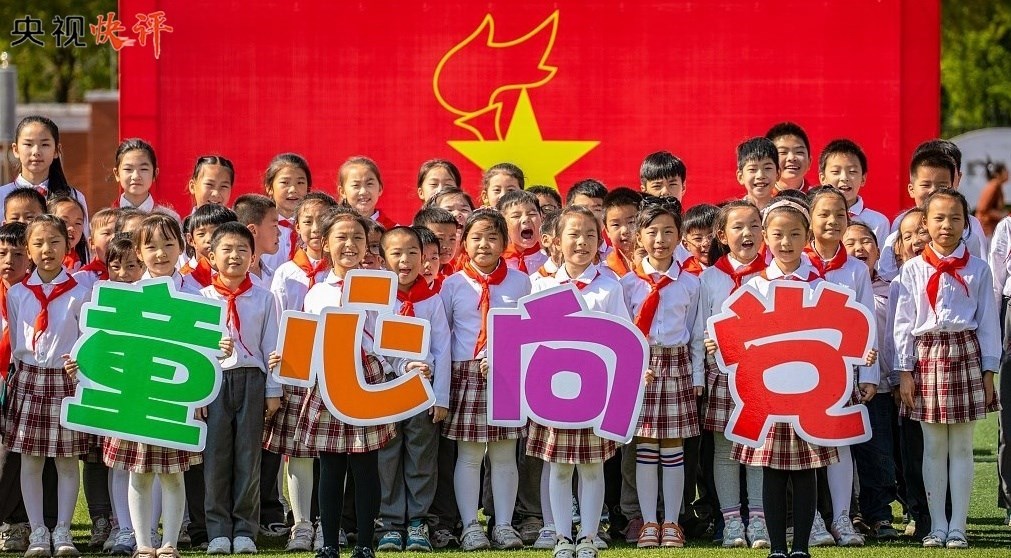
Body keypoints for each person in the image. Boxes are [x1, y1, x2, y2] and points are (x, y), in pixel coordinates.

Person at [92, 215, 207, 558]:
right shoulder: (128, 295)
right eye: (151, 246)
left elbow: (207, 347)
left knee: (173, 474)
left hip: (176, 395)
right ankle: (142, 542)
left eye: (169, 244)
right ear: (139, 252)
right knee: (138, 473)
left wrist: (219, 353)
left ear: (181, 247)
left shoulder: (196, 294)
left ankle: (169, 541)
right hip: (135, 392)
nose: (161, 253)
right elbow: (109, 342)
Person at [731, 200, 840, 558]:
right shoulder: (755, 285)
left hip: (810, 389)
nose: (786, 242)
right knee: (773, 471)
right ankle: (777, 547)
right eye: (777, 234)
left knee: (807, 471)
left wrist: (858, 355)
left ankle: (802, 547)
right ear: (765, 236)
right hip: (769, 390)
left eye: (795, 234)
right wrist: (720, 343)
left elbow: (835, 333)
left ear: (807, 237)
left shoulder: (818, 284)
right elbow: (739, 333)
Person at [894, 188, 1000, 549]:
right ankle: (937, 525)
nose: (947, 225)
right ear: (925, 223)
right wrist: (904, 370)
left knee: (963, 446)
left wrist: (989, 371)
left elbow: (989, 323)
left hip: (966, 353)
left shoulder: (978, 268)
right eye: (938, 218)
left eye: (955, 218)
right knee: (933, 446)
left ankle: (958, 526)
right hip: (926, 356)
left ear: (966, 224)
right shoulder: (912, 269)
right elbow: (903, 323)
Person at [295, 211, 399, 558]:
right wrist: (289, 360)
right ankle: (328, 543)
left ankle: (365, 544)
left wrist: (403, 365)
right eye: (340, 237)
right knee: (330, 465)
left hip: (367, 376)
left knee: (366, 465)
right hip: (329, 377)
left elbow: (390, 334)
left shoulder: (381, 286)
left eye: (357, 237)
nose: (350, 244)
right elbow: (306, 339)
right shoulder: (317, 292)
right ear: (325, 244)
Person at [529, 206, 630, 558]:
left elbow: (623, 336)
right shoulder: (541, 284)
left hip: (595, 390)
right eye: (573, 234)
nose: (582, 242)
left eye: (590, 235)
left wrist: (633, 371)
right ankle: (561, 536)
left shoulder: (609, 286)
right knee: (558, 467)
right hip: (552, 390)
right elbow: (528, 337)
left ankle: (588, 536)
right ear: (556, 241)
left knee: (591, 466)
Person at [439, 209, 531, 550]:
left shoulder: (520, 282)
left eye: (492, 237)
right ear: (464, 243)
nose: (484, 245)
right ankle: (470, 526)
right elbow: (444, 335)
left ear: (504, 242)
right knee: (469, 454)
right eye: (476, 238)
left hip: (506, 372)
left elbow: (527, 329)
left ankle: (503, 525)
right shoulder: (453, 284)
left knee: (505, 454)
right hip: (466, 374)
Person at [620, 198, 704, 548]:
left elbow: (696, 333)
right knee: (645, 446)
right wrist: (630, 371)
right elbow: (622, 333)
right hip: (641, 367)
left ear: (679, 236)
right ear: (640, 236)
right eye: (652, 232)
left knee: (673, 446)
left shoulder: (690, 283)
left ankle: (671, 521)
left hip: (677, 364)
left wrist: (697, 376)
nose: (660, 239)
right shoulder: (627, 283)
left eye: (669, 232)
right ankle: (649, 522)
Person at [6, 215, 90, 558]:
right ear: (28, 250)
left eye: (54, 242)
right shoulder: (17, 293)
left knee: (67, 460)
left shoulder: (80, 292)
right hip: (28, 378)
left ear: (67, 245)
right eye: (38, 243)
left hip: (64, 379)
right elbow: (17, 340)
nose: (47, 250)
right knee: (31, 459)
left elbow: (85, 340)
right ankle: (38, 531)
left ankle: (63, 530)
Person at [802, 187, 879, 546]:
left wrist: (869, 374)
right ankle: (813, 519)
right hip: (802, 368)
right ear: (809, 219)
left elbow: (867, 322)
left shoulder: (856, 270)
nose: (832, 221)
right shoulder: (797, 263)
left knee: (841, 443)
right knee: (805, 444)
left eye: (840, 215)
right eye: (824, 214)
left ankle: (842, 518)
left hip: (842, 369)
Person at [200, 222, 282, 554]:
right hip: (214, 382)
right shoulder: (202, 299)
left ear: (253, 257)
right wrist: (197, 394)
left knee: (249, 457)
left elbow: (271, 345)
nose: (234, 256)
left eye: (242, 250)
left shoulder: (264, 297)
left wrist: (273, 391)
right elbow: (194, 350)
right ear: (211, 256)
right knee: (215, 457)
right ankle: (218, 529)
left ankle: (245, 529)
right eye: (227, 249)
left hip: (252, 380)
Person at [266, 192, 338, 552]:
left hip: (335, 371)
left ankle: (328, 523)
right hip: (297, 371)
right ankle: (302, 523)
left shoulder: (338, 274)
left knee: (333, 452)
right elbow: (276, 325)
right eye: (307, 221)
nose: (314, 228)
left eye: (322, 221)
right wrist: (275, 383)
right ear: (295, 227)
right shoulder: (286, 273)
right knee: (299, 453)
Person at [696, 201, 769, 549]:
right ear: (722, 236)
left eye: (754, 225)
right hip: (723, 373)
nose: (747, 233)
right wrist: (701, 367)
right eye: (738, 227)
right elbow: (699, 329)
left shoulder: (771, 275)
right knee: (725, 450)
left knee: (757, 446)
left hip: (763, 373)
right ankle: (731, 522)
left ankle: (759, 521)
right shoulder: (709, 278)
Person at [375, 226, 451, 552]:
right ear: (382, 259)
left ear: (423, 259)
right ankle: (391, 522)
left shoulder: (432, 300)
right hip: (388, 387)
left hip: (423, 389)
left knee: (421, 454)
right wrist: (401, 366)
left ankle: (418, 520)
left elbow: (443, 349)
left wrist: (441, 397)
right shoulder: (379, 299)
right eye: (396, 253)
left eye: (412, 253)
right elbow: (374, 342)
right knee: (388, 454)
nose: (404, 260)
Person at [841, 222, 900, 540]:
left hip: (878, 384)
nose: (858, 248)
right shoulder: (835, 283)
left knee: (877, 454)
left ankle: (879, 515)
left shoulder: (891, 288)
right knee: (841, 454)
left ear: (879, 251)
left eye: (866, 241)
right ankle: (848, 515)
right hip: (839, 379)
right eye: (850, 242)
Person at [0, 116, 90, 228]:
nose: (36, 152)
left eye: (45, 144)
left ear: (56, 150)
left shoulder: (73, 197)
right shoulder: (2, 195)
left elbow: (82, 237)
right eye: (28, 144)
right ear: (16, 149)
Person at [816, 139, 889, 247]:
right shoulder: (814, 218)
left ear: (863, 178)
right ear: (823, 178)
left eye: (852, 172)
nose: (844, 178)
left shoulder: (879, 222)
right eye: (836, 172)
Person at [260, 153, 311, 271]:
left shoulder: (315, 227)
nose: (293, 190)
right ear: (269, 188)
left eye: (300, 183)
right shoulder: (260, 226)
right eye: (285, 183)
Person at [111, 139, 181, 221]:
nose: (136, 176)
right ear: (117, 174)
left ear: (155, 173)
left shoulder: (170, 218)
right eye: (128, 169)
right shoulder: (106, 221)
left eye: (143, 169)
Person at [181, 205, 239, 288]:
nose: (209, 239)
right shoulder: (184, 280)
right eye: (201, 234)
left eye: (216, 232)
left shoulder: (244, 275)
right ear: (191, 240)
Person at [232, 195, 280, 286]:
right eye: (275, 226)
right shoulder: (231, 277)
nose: (279, 233)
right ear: (252, 230)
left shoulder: (274, 277)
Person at [338, 156, 396, 230]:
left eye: (369, 184)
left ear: (380, 189)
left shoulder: (394, 230)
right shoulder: (334, 228)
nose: (363, 191)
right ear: (342, 192)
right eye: (356, 185)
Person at [497, 190, 546, 273]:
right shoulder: (496, 264)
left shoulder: (549, 262)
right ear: (503, 223)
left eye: (532, 214)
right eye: (516, 216)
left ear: (541, 218)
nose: (526, 219)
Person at [600, 188, 642, 279]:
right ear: (607, 231)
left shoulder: (658, 262)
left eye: (631, 222)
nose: (624, 231)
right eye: (616, 224)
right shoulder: (603, 270)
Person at [765, 122, 813, 193]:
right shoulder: (759, 197)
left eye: (799, 152)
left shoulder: (819, 198)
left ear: (809, 162)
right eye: (782, 152)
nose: (791, 158)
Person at [736, 138, 780, 212]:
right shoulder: (733, 214)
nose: (760, 175)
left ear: (778, 174)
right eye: (752, 169)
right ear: (740, 177)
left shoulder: (786, 213)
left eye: (767, 168)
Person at [48, 197, 88, 272]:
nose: (72, 228)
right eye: (64, 221)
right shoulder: (35, 260)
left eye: (78, 223)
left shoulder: (82, 269)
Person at [976, 161, 1007, 237]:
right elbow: (982, 209)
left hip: (992, 228)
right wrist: (1002, 215)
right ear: (997, 174)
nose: (1008, 174)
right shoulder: (993, 186)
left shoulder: (998, 186)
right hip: (986, 228)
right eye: (1005, 171)